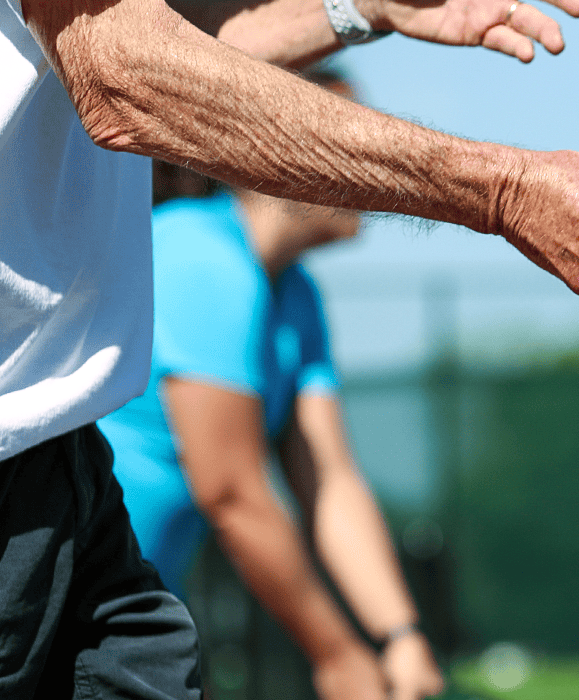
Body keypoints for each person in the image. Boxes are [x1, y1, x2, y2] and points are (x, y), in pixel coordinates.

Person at [0, 0, 579, 695]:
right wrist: (503, 189)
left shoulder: (291, 298)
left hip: (52, 475)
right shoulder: (206, 266)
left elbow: (167, 45)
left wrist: (355, 9)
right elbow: (125, 69)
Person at [96, 68, 445, 700]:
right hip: (47, 613)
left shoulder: (296, 294)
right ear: (283, 155)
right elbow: (231, 493)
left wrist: (400, 638)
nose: (378, 170)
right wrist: (338, 655)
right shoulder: (201, 258)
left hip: (118, 616)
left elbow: (330, 480)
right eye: (353, 145)